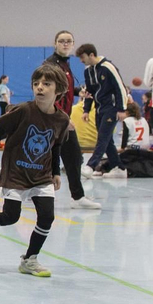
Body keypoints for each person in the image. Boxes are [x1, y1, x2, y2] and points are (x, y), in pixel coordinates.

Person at [0, 65, 73, 278]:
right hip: (16, 172)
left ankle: (30, 260)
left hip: (42, 175)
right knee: (11, 216)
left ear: (59, 90)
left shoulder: (62, 119)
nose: (40, 88)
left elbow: (55, 145)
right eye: (36, 84)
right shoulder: (23, 111)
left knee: (47, 217)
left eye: (46, 84)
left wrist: (56, 172)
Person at [45, 30, 101, 209]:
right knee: (46, 157)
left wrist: (78, 92)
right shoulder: (51, 66)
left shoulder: (65, 65)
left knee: (73, 157)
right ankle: (20, 189)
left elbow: (64, 89)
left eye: (69, 41)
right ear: (55, 44)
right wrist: (61, 118)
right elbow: (49, 93)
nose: (65, 44)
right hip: (54, 120)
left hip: (61, 119)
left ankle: (77, 197)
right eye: (62, 41)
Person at [77, 44, 126, 177]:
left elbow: (120, 87)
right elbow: (89, 91)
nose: (81, 61)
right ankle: (119, 168)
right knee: (108, 139)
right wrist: (86, 109)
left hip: (112, 107)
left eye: (83, 57)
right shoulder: (88, 71)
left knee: (103, 137)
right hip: (100, 108)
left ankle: (91, 166)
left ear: (91, 55)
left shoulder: (108, 67)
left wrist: (122, 109)